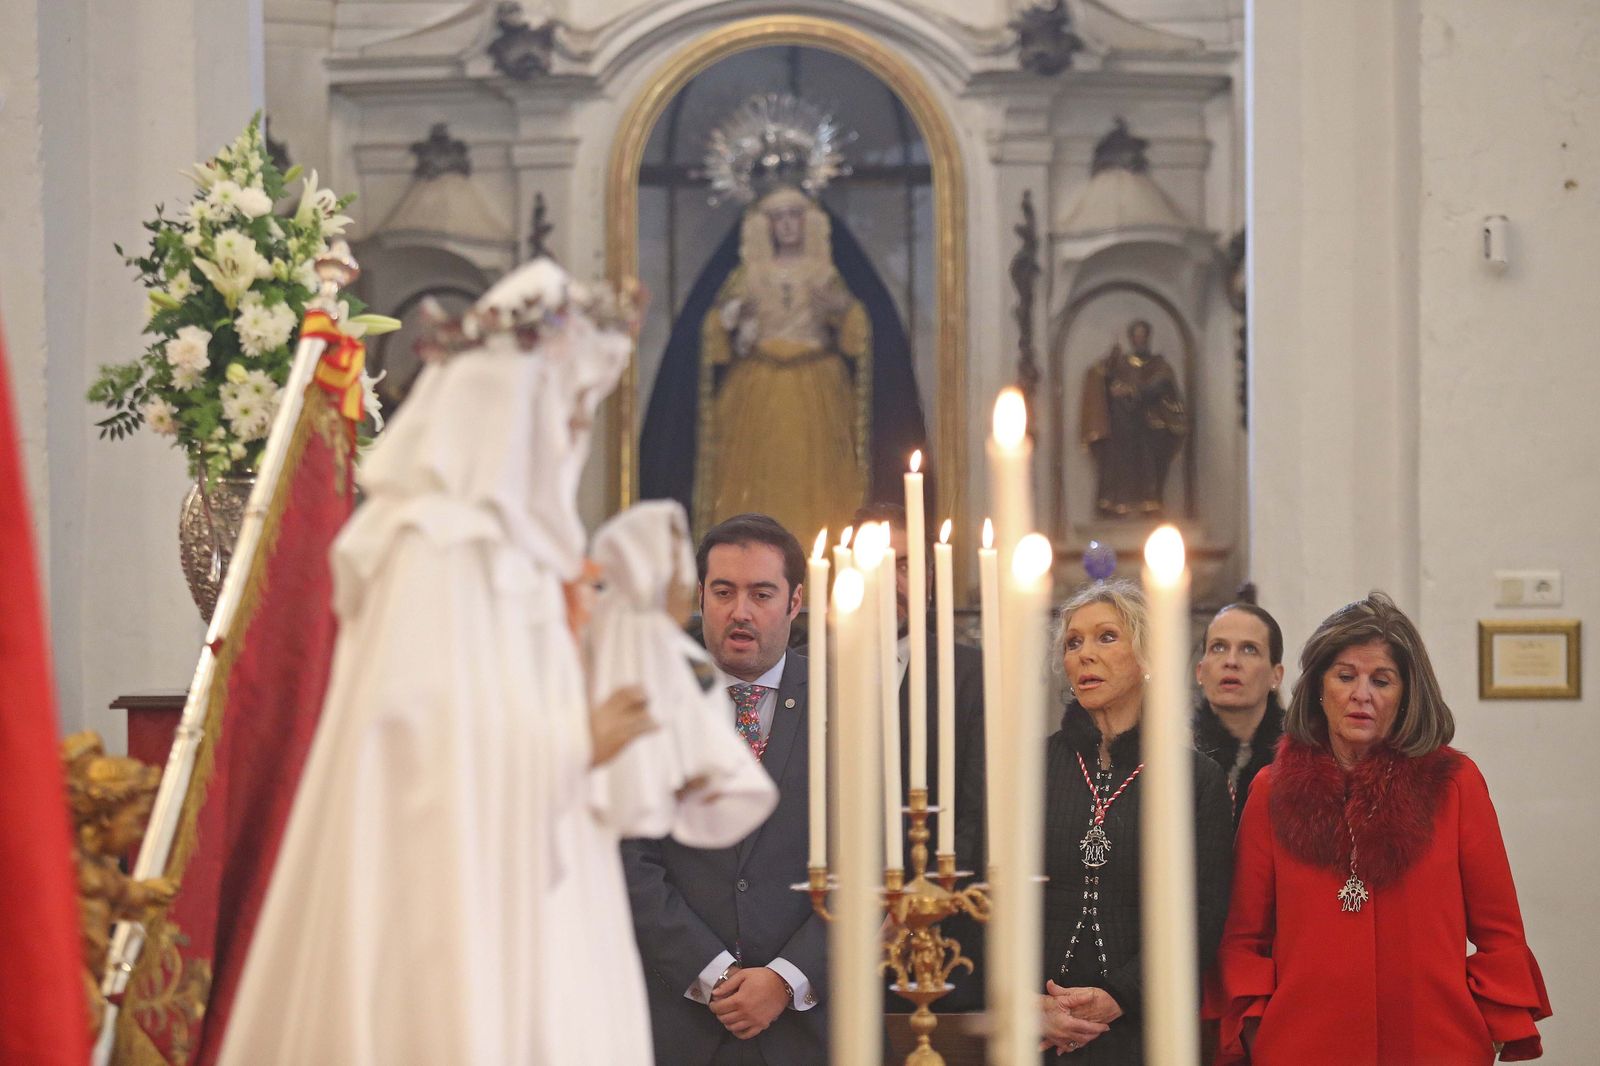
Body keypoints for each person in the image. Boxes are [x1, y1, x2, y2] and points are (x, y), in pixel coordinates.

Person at [218, 260, 660, 1064]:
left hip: (537, 887)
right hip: (449, 903)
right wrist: (574, 746)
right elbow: (415, 747)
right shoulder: (436, 546)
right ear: (509, 409)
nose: (575, 441)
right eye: (569, 414)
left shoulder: (529, 561)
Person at [1209, 592, 1551, 1064]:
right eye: (1345, 676)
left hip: (1437, 1046)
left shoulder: (1454, 785)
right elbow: (1245, 937)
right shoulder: (1272, 790)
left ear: (1407, 693)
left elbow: (1501, 934)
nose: (1361, 694)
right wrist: (1257, 1034)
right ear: (1319, 688)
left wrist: (1484, 1036)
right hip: (1301, 1046)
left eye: (1382, 680)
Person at [622, 513, 828, 1065]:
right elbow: (629, 859)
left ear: (794, 601)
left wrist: (785, 980)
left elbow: (872, 867)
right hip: (679, 1023)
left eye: (762, 593)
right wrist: (713, 973)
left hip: (810, 1030)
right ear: (700, 596)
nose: (741, 611)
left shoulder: (845, 701)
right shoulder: (648, 703)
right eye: (723, 591)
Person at [1039, 579, 1233, 1062]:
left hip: (1144, 1029)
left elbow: (1203, 916)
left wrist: (1120, 996)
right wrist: (1029, 1002)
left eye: (1106, 637)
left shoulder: (1195, 778)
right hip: (1038, 1028)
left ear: (1147, 657)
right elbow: (992, 896)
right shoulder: (1033, 768)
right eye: (1073, 642)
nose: (1084, 654)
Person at [852, 502, 988, 1013]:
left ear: (930, 578)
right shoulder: (806, 670)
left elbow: (976, 812)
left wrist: (910, 911)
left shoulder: (969, 675)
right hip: (810, 938)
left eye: (905, 566)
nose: (890, 581)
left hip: (938, 940)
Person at [695, 185, 872, 542]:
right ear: (766, 225)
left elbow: (856, 330)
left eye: (795, 216)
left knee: (817, 472)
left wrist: (842, 311)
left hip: (816, 381)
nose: (788, 225)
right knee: (758, 472)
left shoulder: (824, 272)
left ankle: (818, 554)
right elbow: (717, 328)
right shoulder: (749, 274)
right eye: (779, 218)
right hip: (758, 384)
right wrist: (733, 316)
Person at [1193, 595, 1286, 830]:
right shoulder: (1170, 755)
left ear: (1277, 675)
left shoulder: (1300, 760)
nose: (1231, 661)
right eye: (1219, 647)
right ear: (1200, 672)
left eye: (1249, 649)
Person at [1080, 319, 1187, 517]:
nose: (1139, 339)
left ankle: (1150, 499)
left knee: (1151, 450)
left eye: (1142, 335)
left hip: (1151, 423)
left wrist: (1131, 391)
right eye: (1136, 336)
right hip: (1123, 428)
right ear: (1132, 338)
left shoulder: (1158, 364)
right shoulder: (1122, 363)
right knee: (1115, 451)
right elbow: (1104, 378)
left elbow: (1162, 385)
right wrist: (1107, 372)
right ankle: (1114, 502)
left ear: (1147, 337)